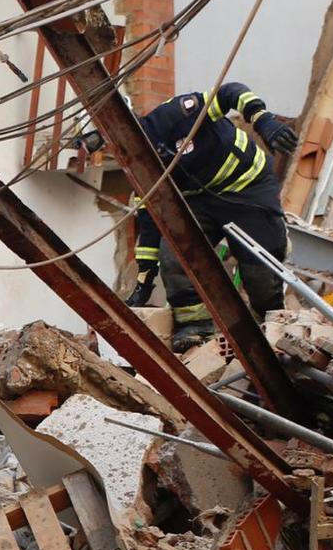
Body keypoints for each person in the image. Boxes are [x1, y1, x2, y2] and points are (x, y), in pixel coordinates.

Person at [97, 82, 299, 351]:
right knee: (176, 256)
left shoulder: (174, 116)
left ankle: (270, 321)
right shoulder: (137, 163)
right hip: (196, 199)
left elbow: (230, 92)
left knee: (258, 272)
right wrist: (145, 276)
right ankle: (196, 327)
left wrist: (263, 120)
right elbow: (149, 221)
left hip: (247, 188)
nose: (113, 147)